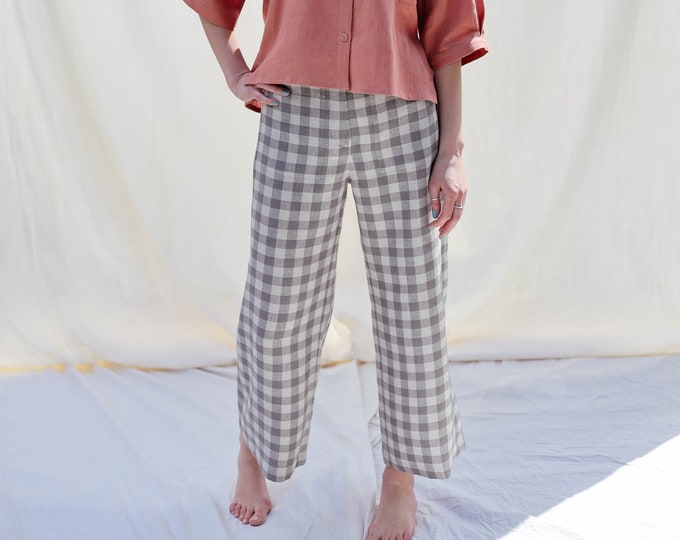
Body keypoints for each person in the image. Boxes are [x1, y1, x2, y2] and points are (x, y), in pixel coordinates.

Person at [183, 1, 487, 538]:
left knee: (413, 308)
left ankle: (400, 480)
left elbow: (448, 29)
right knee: (277, 303)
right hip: (294, 107)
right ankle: (253, 452)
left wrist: (452, 150)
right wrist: (234, 71)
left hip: (402, 116)